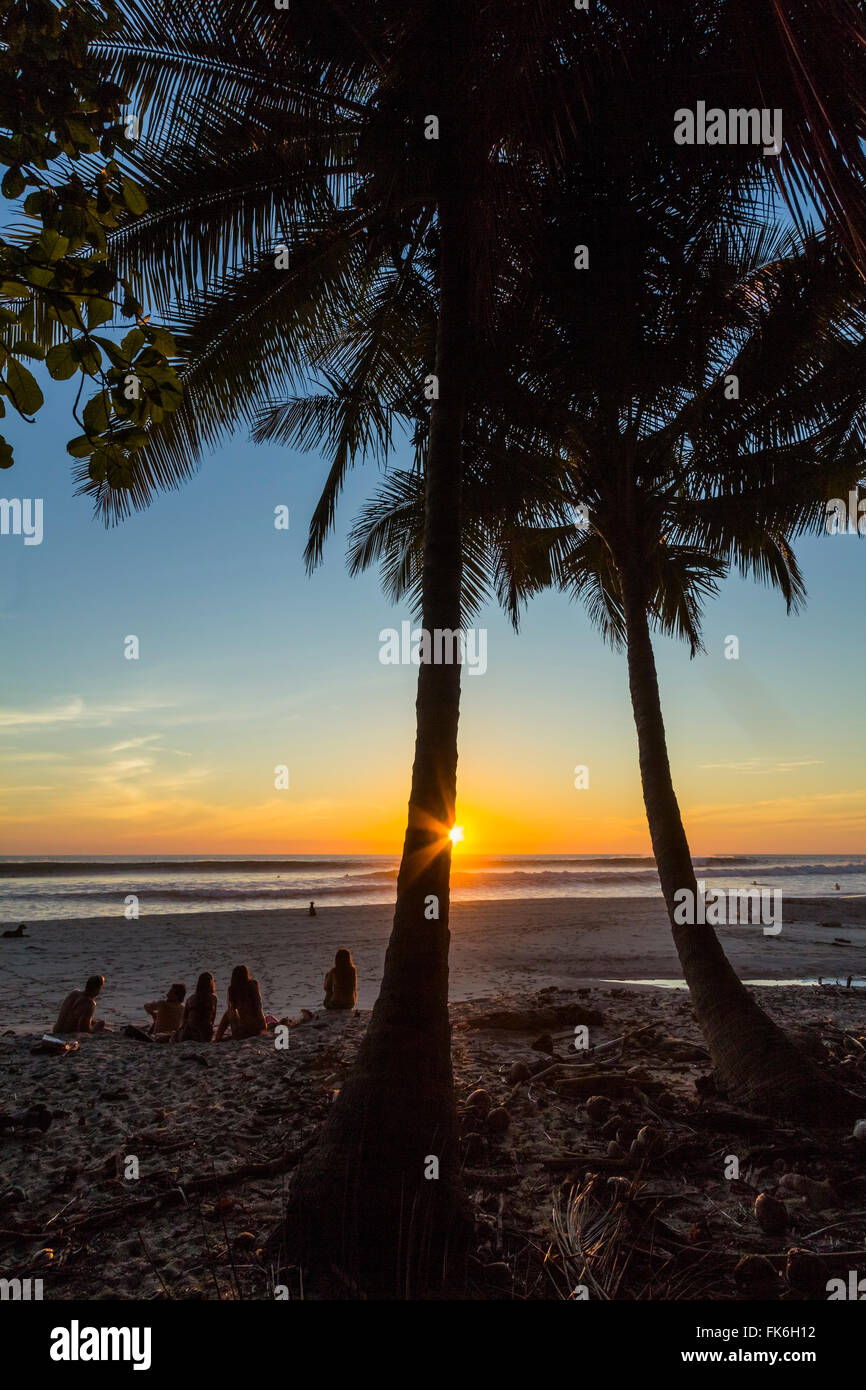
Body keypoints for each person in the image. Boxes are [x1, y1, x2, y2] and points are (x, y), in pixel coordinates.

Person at [215, 964, 267, 1041]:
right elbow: (258, 1005)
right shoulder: (253, 984)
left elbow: (232, 1011)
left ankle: (218, 1037)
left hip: (243, 1031)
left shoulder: (232, 989)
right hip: (260, 1027)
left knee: (228, 1013)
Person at [176, 972, 218, 1042]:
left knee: (172, 1037)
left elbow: (184, 1020)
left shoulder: (190, 999)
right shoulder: (213, 998)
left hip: (189, 1034)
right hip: (205, 1034)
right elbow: (212, 1020)